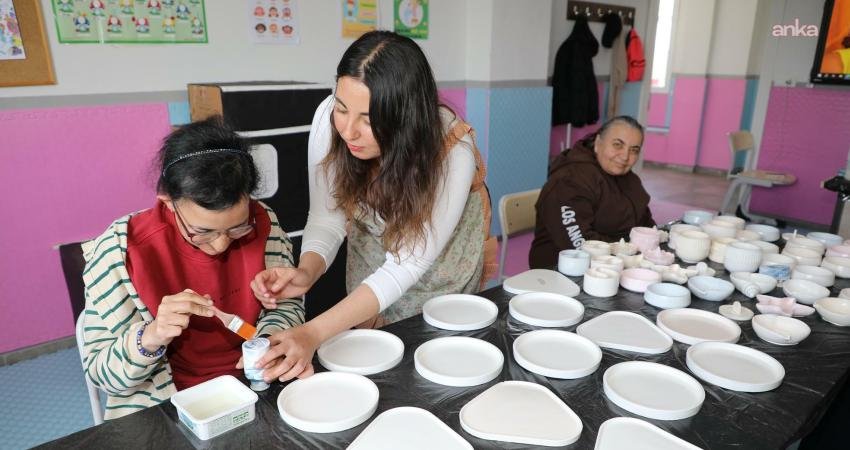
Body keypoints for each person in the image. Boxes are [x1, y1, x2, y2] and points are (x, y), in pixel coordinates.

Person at [250, 30, 495, 382]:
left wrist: (312, 333)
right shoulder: (329, 121)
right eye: (342, 108)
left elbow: (406, 266)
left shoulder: (451, 152)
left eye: (369, 119)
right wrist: (307, 271)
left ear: (406, 117)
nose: (349, 131)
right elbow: (327, 218)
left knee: (434, 372)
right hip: (373, 261)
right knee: (374, 368)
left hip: (440, 275)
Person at [80, 117, 304, 419]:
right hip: (165, 404)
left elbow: (288, 308)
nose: (222, 244)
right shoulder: (120, 253)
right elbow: (103, 377)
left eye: (237, 229)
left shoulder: (264, 222)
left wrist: (269, 342)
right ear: (169, 202)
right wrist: (151, 335)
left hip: (256, 387)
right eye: (202, 232)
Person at [529, 115, 654, 269]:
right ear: (597, 143)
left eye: (634, 150)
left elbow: (646, 224)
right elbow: (580, 245)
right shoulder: (569, 180)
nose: (625, 156)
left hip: (616, 264)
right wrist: (628, 251)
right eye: (617, 145)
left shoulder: (628, 179)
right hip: (562, 270)